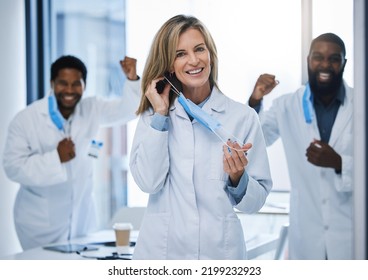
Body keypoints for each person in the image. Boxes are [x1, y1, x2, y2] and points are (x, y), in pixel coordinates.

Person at [129, 14, 272, 260]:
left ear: (210, 54)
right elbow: (148, 183)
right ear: (168, 64)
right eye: (180, 54)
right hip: (162, 254)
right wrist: (162, 115)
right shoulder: (153, 116)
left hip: (219, 254)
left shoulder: (242, 117)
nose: (194, 60)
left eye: (199, 49)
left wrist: (238, 178)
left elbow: (254, 203)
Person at [2, 55, 140, 250]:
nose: (69, 90)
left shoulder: (91, 108)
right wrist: (55, 158)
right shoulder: (26, 120)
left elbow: (129, 110)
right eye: (62, 83)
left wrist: (132, 79)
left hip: (82, 222)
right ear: (52, 83)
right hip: (39, 225)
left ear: (84, 85)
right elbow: (12, 167)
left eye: (76, 84)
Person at [248, 33, 353, 259]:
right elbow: (256, 140)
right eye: (318, 57)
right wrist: (255, 100)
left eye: (334, 58)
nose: (325, 64)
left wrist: (340, 163)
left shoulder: (360, 105)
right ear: (308, 61)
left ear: (344, 63)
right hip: (306, 234)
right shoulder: (286, 106)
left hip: (350, 233)